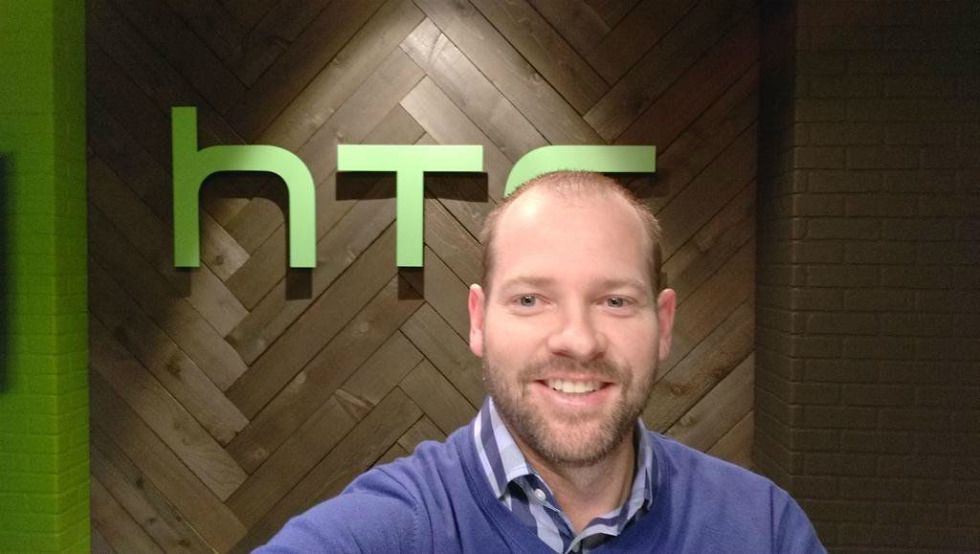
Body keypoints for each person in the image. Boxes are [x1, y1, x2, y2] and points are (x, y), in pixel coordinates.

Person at [255, 171, 826, 553]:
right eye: (530, 300)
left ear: (664, 325)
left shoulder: (764, 529)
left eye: (615, 301)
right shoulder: (390, 528)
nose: (577, 340)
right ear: (479, 321)